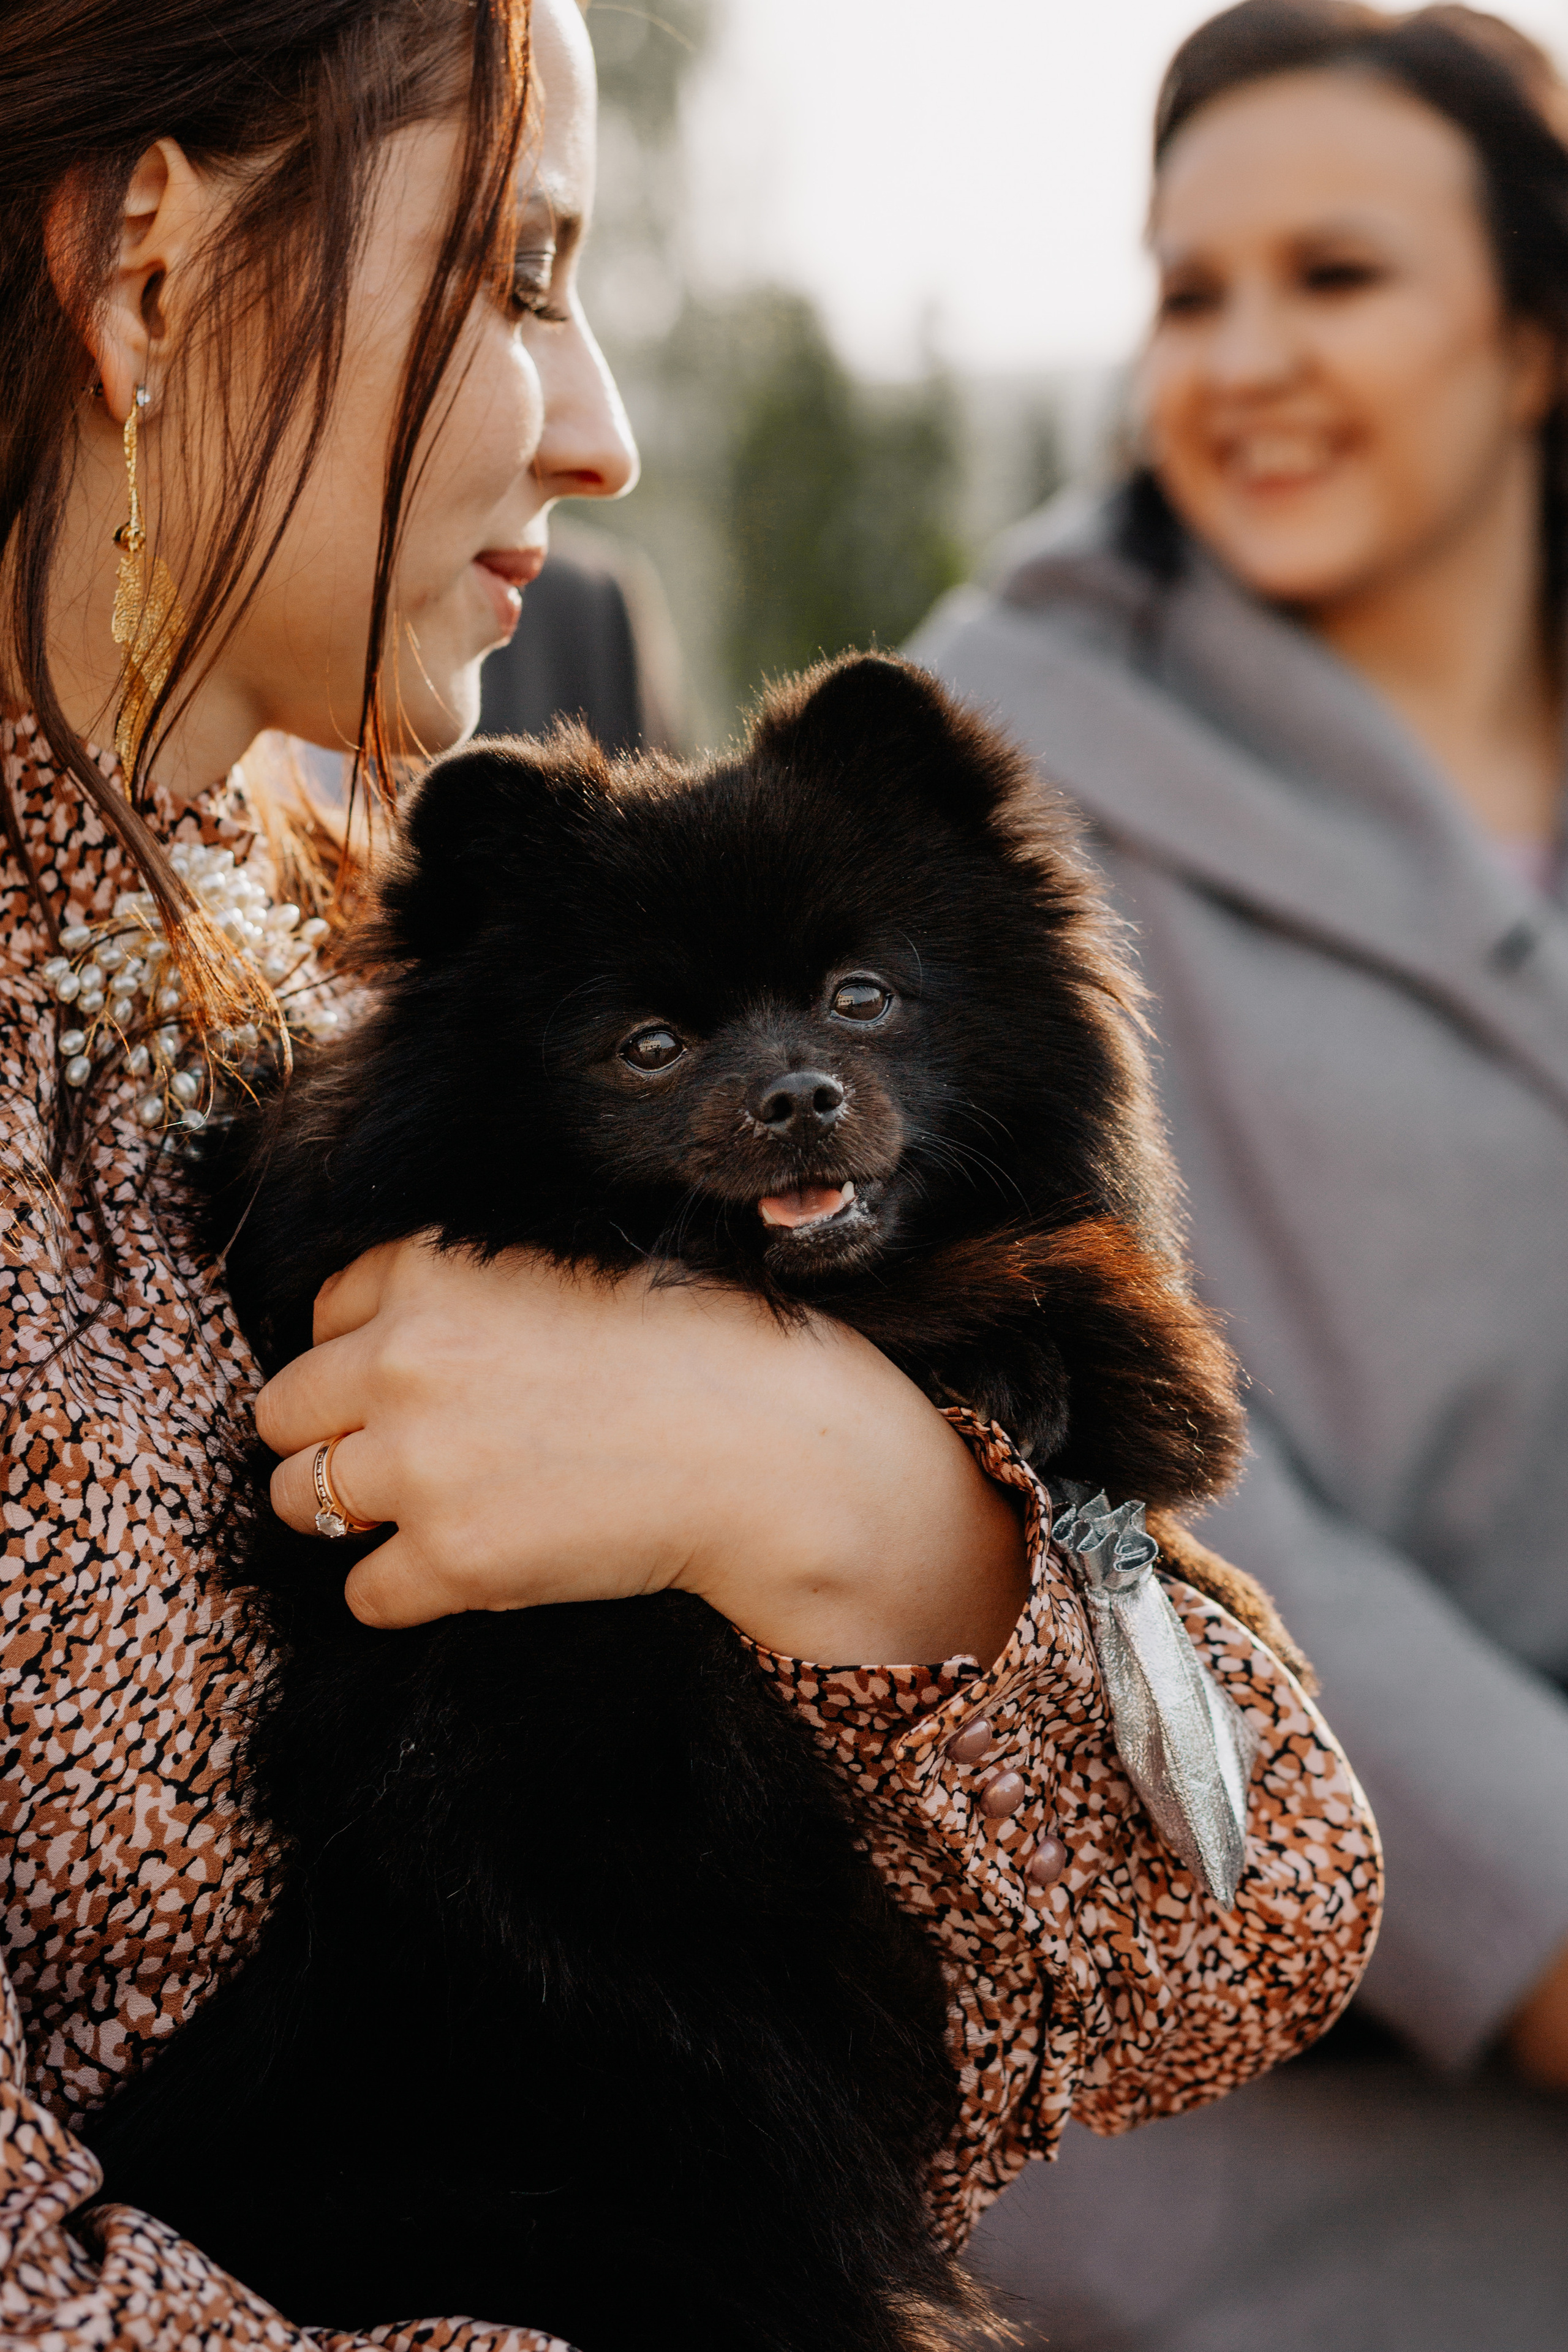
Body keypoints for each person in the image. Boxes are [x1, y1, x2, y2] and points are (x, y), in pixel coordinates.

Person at [0, 0, 1378, 2343]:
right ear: (150, 275)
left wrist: (826, 1485)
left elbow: (1252, 1908)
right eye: (520, 279)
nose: (607, 430)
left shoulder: (386, 947)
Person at [912, 5, 1568, 2345]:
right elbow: (1102, 1410)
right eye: (1192, 292)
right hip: (1238, 2162)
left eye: (1337, 277)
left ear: (1536, 342)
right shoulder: (994, 772)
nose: (1246, 359)